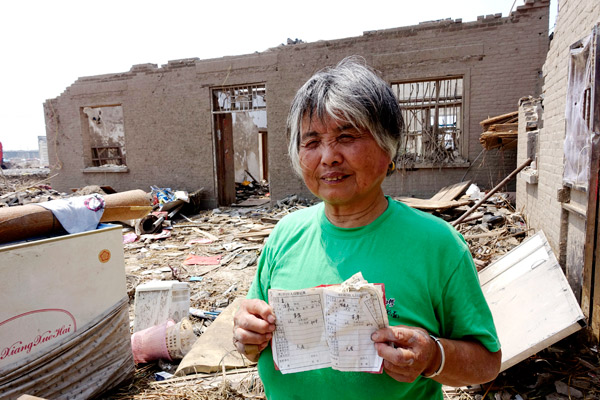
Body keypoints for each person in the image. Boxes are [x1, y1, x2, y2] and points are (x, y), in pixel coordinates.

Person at [233, 57, 501, 399]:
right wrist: (246, 334)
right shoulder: (285, 236)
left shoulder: (438, 246)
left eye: (347, 136)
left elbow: (487, 362)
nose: (328, 156)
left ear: (388, 148)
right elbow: (253, 342)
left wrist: (432, 356)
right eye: (312, 142)